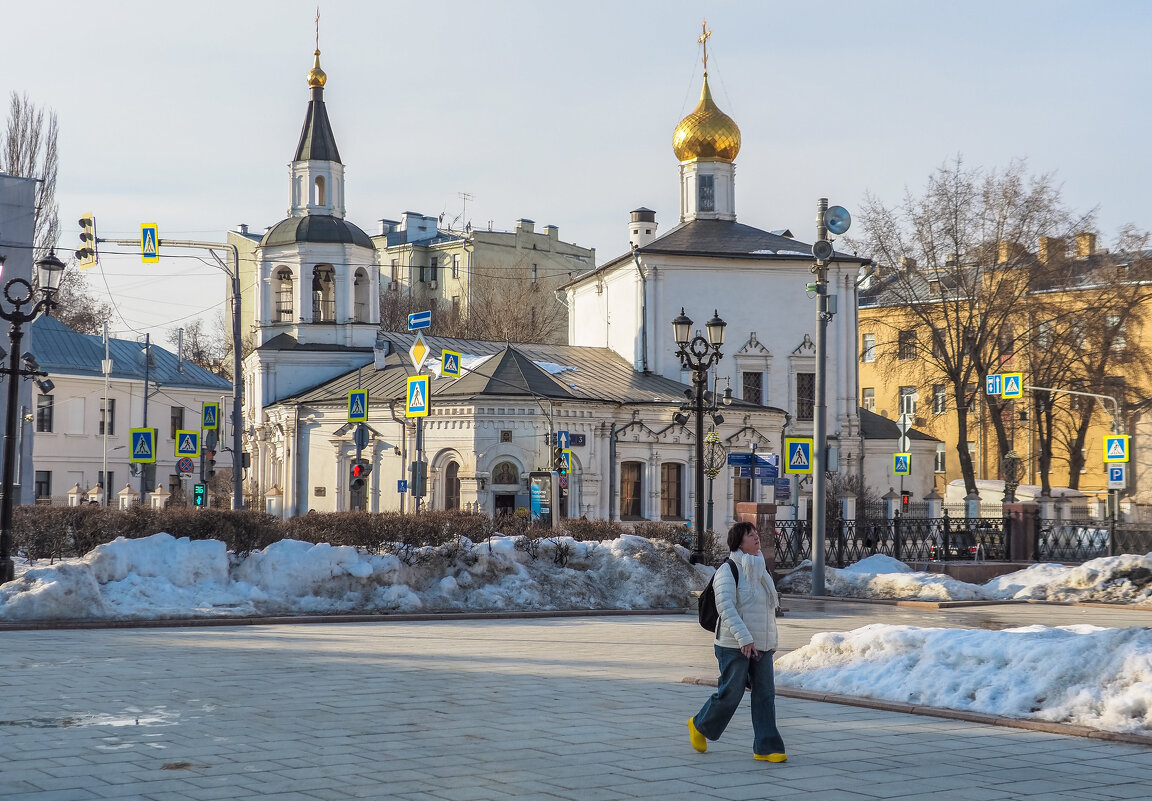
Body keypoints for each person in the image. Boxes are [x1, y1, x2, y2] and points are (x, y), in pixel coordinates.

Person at [688, 521, 786, 762]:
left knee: (765, 695)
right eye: (750, 535)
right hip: (733, 645)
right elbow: (726, 608)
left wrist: (770, 641)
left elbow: (768, 610)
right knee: (731, 693)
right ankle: (699, 724)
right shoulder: (727, 570)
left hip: (761, 645)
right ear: (738, 542)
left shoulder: (762, 569)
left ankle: (767, 747)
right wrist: (744, 639)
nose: (756, 538)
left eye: (756, 534)